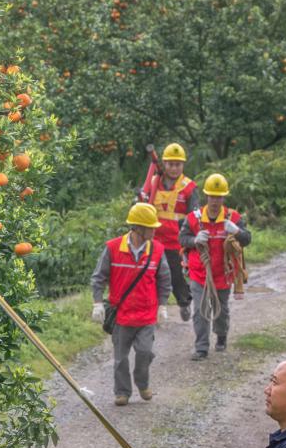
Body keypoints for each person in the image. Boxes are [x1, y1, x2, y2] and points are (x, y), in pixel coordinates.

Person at [90, 203, 171, 406]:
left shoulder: (158, 250)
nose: (154, 230)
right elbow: (99, 277)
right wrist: (97, 303)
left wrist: (162, 305)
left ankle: (142, 384)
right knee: (120, 358)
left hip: (146, 315)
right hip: (122, 315)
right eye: (150, 227)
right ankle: (122, 392)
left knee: (144, 352)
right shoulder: (112, 248)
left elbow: (164, 280)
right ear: (137, 228)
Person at [180, 172, 251, 360]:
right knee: (201, 311)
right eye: (212, 196)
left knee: (221, 311)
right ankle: (201, 348)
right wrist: (195, 240)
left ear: (223, 197)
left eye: (219, 196)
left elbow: (247, 239)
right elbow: (182, 239)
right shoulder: (194, 218)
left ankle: (221, 335)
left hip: (223, 274)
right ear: (206, 196)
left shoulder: (233, 217)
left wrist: (236, 231)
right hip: (199, 273)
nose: (215, 200)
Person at [139, 143, 199, 322]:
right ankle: (153, 309)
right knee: (150, 274)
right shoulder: (153, 182)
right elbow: (142, 204)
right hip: (153, 239)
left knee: (175, 276)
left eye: (177, 164)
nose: (174, 168)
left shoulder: (189, 187)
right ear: (164, 164)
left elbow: (194, 215)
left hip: (176, 242)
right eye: (170, 164)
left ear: (183, 165)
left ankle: (184, 302)